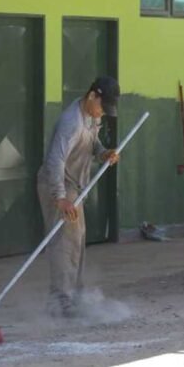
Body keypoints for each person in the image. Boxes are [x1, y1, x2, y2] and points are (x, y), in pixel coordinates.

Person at [37, 76, 120, 318]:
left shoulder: (91, 116)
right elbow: (55, 160)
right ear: (92, 95)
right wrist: (60, 197)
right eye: (102, 107)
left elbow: (92, 144)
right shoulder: (70, 122)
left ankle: (76, 295)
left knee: (77, 241)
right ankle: (60, 300)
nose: (102, 114)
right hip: (58, 185)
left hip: (73, 186)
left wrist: (104, 153)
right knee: (65, 242)